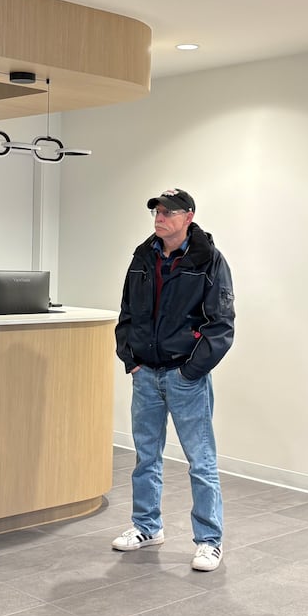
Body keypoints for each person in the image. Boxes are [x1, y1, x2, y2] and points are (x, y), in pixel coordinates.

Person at [112, 188, 235, 572]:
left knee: (201, 461)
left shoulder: (209, 260)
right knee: (146, 457)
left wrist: (190, 371)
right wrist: (131, 360)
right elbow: (127, 313)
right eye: (157, 211)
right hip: (145, 375)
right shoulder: (142, 257)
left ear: (188, 217)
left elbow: (221, 324)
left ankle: (209, 541)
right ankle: (146, 527)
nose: (160, 217)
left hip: (186, 378)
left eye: (168, 212)